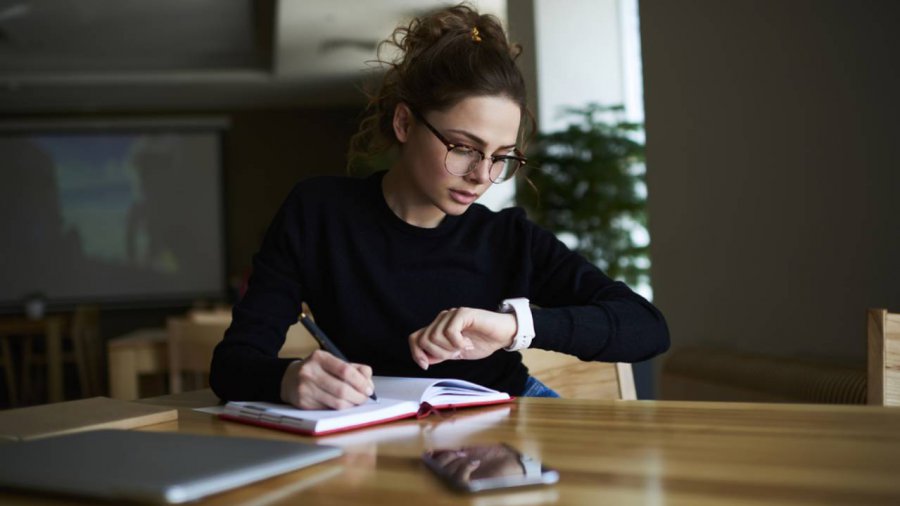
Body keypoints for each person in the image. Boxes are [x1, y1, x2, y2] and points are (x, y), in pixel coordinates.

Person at [209, 3, 669, 409]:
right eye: (464, 148)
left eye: (501, 157)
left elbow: (647, 327)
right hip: (381, 426)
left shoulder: (507, 237)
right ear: (405, 123)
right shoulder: (318, 213)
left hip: (508, 417)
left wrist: (513, 327)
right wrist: (289, 379)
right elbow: (233, 365)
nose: (482, 176)